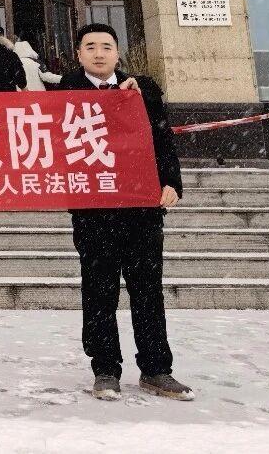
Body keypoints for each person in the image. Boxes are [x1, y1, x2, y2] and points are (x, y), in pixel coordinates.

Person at [53, 23, 193, 402]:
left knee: (148, 291)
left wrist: (171, 182)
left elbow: (162, 139)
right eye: (90, 47)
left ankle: (156, 369)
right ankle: (105, 369)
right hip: (94, 212)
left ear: (117, 53)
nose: (99, 53)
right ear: (78, 54)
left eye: (106, 46)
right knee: (99, 291)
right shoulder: (65, 93)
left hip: (141, 210)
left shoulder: (142, 90)